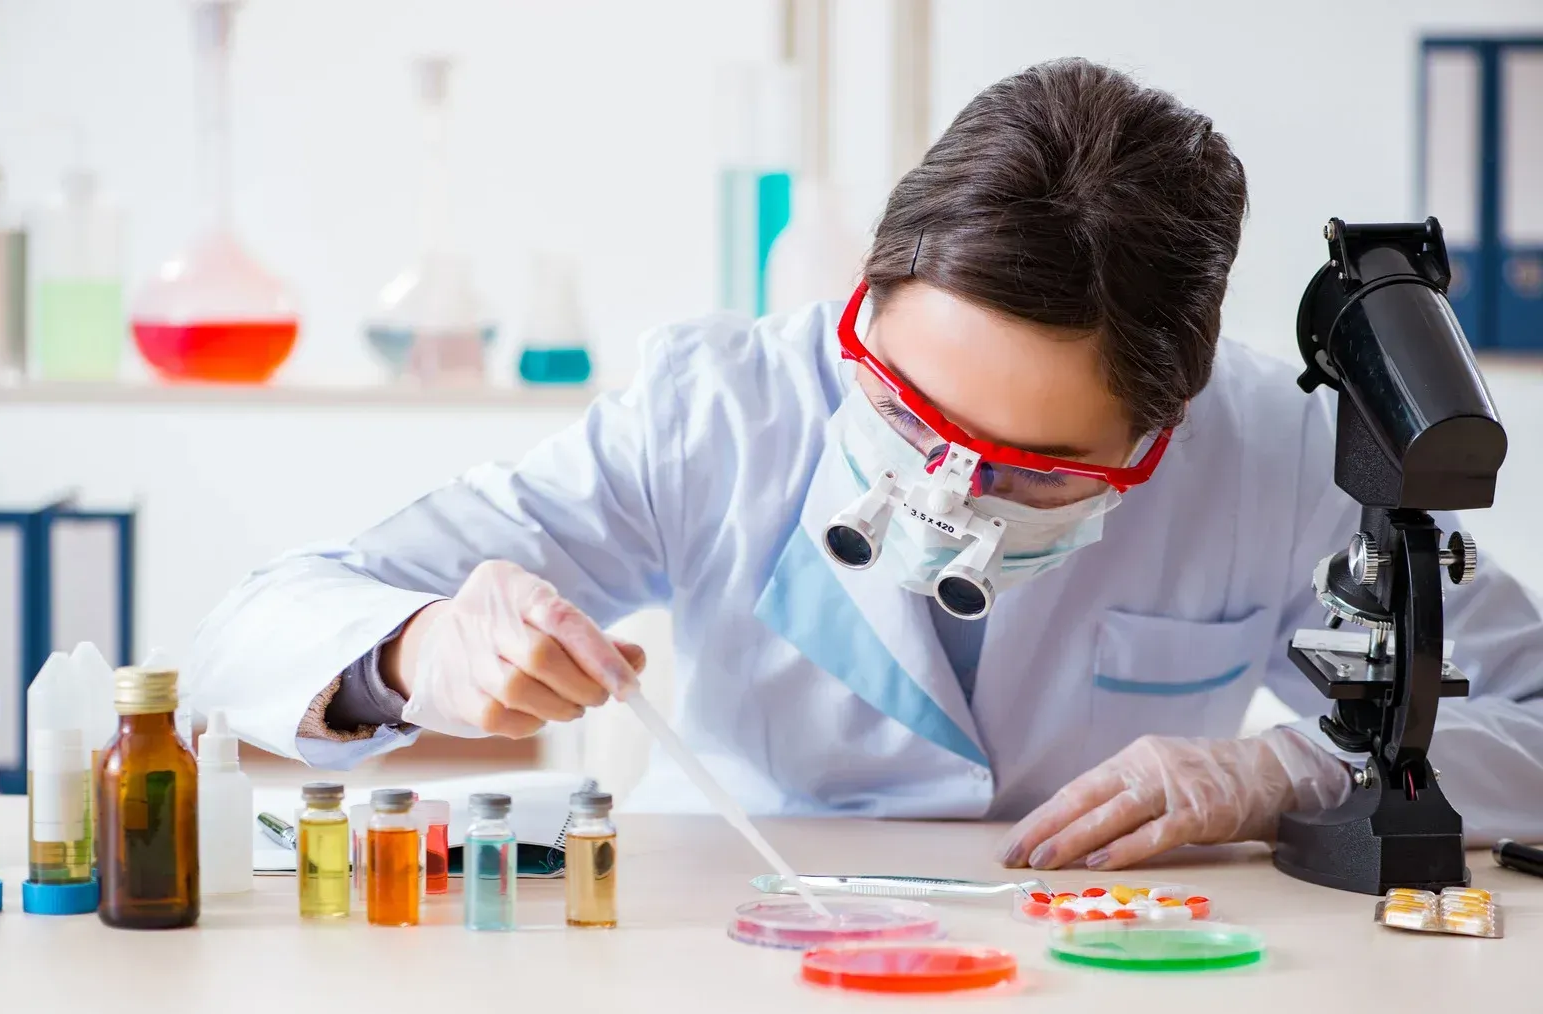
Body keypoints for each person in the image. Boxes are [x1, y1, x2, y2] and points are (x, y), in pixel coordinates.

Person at [189, 58, 1543, 871]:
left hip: (1113, 981)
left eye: (1031, 469)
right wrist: (415, 649)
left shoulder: (1278, 450)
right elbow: (255, 625)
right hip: (751, 955)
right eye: (903, 409)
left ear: (1164, 425)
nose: (945, 495)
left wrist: (1298, 773)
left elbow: (1536, 719)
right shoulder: (715, 412)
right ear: (868, 301)